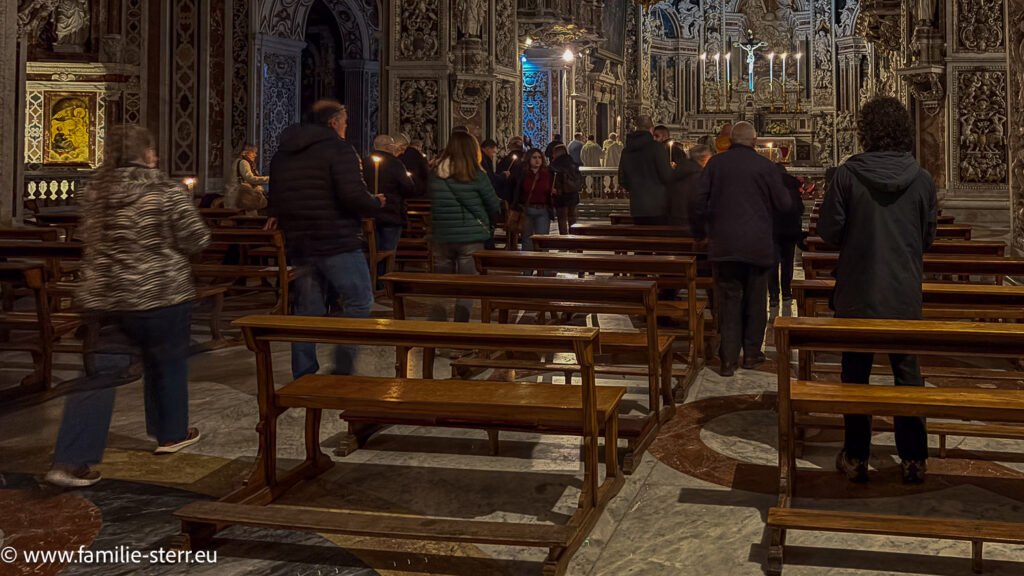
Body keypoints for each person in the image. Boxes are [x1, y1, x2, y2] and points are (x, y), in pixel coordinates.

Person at [46, 125, 210, 488]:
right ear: (148, 154)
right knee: (166, 364)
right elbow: (197, 238)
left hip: (106, 297)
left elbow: (87, 238)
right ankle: (170, 434)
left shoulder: (96, 192)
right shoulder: (165, 190)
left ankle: (70, 461)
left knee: (98, 377)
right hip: (160, 293)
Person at [817, 96, 937, 484]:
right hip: (903, 290)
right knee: (907, 374)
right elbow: (927, 237)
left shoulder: (847, 176)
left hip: (858, 290)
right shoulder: (921, 179)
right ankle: (914, 458)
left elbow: (829, 232)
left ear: (865, 132)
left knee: (855, 373)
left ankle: (855, 455)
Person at [268, 99, 386, 379]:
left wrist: (277, 215)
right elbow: (352, 195)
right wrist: (375, 203)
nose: (346, 127)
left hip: (300, 241)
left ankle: (304, 374)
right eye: (344, 122)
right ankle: (342, 370)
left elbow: (277, 195)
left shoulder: (283, 153)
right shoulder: (338, 149)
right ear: (334, 122)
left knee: (307, 310)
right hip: (336, 240)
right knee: (359, 299)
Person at [693, 121, 791, 377]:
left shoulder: (715, 164)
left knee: (728, 300)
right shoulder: (766, 166)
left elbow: (698, 201)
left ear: (731, 141)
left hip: (724, 244)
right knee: (756, 301)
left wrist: (700, 233)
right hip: (757, 244)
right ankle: (751, 354)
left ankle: (727, 360)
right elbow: (784, 204)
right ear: (755, 142)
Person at [427, 131, 501, 322]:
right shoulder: (477, 175)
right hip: (471, 237)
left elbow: (431, 200)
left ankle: (436, 325)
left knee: (440, 285)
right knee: (467, 284)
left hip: (442, 235)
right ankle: (460, 326)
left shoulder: (436, 174)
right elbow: (494, 205)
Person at [363, 134, 416, 256]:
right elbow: (409, 188)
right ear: (389, 147)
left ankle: (373, 274)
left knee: (371, 253)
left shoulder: (364, 162)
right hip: (390, 214)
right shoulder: (395, 164)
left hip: (368, 215)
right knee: (387, 253)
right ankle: (384, 274)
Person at [618, 115, 674, 225]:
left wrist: (637, 188)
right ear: (652, 129)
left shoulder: (626, 150)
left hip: (637, 207)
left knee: (641, 238)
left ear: (636, 127)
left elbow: (622, 179)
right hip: (658, 206)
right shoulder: (657, 148)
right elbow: (667, 177)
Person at [769, 164, 805, 307]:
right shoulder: (792, 186)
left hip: (772, 230)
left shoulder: (769, 186)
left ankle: (773, 295)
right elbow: (800, 208)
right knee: (787, 263)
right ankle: (786, 292)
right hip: (790, 230)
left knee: (772, 264)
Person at [511, 148, 555, 251]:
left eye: (539, 157)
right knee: (527, 240)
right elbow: (515, 189)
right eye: (534, 157)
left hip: (543, 210)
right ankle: (528, 266)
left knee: (543, 240)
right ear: (529, 159)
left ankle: (542, 266)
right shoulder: (522, 173)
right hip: (526, 210)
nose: (537, 160)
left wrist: (555, 191)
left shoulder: (548, 173)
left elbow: (556, 188)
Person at [666, 144, 703, 234]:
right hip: (690, 222)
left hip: (675, 219)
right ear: (702, 159)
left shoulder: (678, 171)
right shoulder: (697, 175)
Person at [550, 143, 583, 234]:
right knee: (572, 219)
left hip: (561, 196)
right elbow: (579, 179)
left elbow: (553, 180)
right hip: (573, 194)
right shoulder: (573, 163)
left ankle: (564, 239)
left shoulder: (555, 165)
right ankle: (573, 237)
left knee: (562, 219)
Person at [226, 144, 269, 211]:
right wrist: (268, 179)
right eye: (253, 152)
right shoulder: (244, 162)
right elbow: (250, 178)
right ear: (246, 152)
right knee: (249, 217)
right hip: (243, 196)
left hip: (235, 194)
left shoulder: (238, 161)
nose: (255, 155)